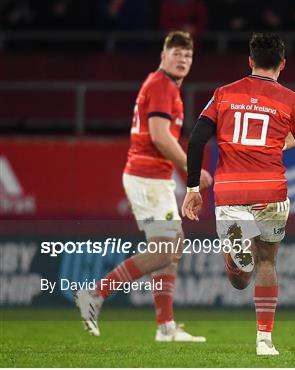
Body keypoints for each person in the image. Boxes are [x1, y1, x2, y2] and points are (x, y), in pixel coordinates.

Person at [181, 33, 295, 355]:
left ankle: (236, 255)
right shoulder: (291, 100)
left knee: (239, 279)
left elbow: (197, 140)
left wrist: (192, 188)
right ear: (282, 64)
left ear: (250, 61)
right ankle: (265, 340)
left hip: (231, 192)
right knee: (267, 261)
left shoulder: (224, 95)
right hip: (272, 192)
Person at [75, 31, 212, 342]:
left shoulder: (164, 86)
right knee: (167, 249)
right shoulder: (162, 86)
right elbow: (160, 137)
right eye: (176, 54)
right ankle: (95, 295)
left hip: (154, 178)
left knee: (171, 251)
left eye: (187, 56)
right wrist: (192, 170)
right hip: (147, 177)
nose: (183, 60)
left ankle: (165, 327)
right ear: (163, 56)